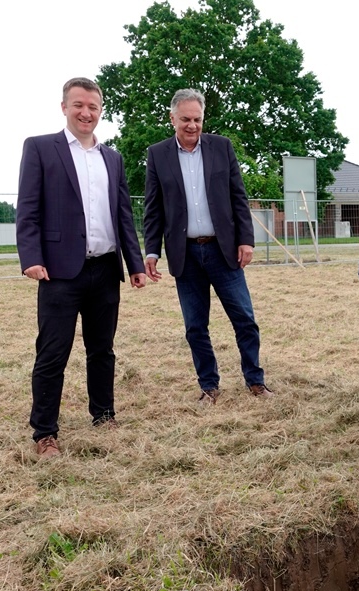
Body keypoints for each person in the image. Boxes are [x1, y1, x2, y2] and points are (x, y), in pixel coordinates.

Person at [16, 77, 147, 460]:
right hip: (59, 271)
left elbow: (123, 214)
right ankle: (45, 432)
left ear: (100, 111)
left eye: (93, 107)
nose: (86, 113)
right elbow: (28, 209)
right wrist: (31, 258)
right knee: (53, 352)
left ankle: (103, 415)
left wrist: (134, 263)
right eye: (78, 105)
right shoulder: (41, 148)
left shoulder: (112, 158)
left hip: (105, 269)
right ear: (64, 107)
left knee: (102, 349)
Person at [143, 88, 272, 404]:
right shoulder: (157, 154)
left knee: (244, 319)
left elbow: (238, 197)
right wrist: (151, 250)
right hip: (184, 255)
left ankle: (255, 380)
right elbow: (153, 207)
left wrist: (246, 239)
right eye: (185, 119)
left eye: (197, 119)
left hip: (223, 251)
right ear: (172, 118)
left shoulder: (222, 148)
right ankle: (209, 386)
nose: (192, 125)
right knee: (195, 326)